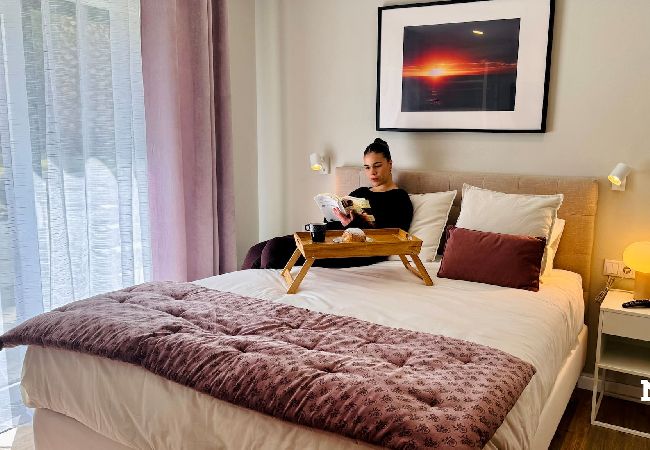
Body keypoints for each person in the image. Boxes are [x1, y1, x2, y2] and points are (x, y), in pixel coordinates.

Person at [241, 138, 413, 270]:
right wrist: (334, 213)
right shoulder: (361, 192)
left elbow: (391, 238)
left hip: (355, 251)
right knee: (256, 250)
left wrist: (352, 224)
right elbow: (332, 221)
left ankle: (264, 295)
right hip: (330, 238)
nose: (372, 172)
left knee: (274, 249)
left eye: (377, 166)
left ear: (390, 164)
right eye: (367, 167)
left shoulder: (400, 198)